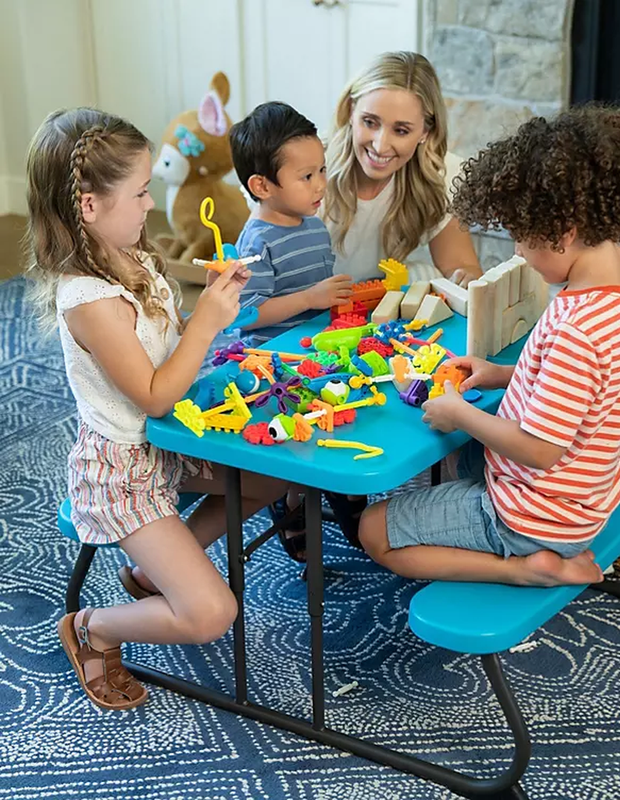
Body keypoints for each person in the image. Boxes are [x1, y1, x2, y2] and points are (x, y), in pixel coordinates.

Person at [26, 108, 290, 710]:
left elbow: (167, 352)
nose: (151, 205)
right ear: (89, 205)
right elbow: (154, 393)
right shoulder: (89, 298)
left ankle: (156, 574)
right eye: (142, 192)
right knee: (211, 613)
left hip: (168, 443)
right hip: (122, 471)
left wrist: (209, 305)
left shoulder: (131, 255)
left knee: (278, 474)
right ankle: (92, 628)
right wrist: (206, 324)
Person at [358, 106, 620, 587]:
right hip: (588, 493)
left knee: (374, 531)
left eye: (521, 237)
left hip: (538, 513)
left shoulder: (575, 328)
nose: (518, 252)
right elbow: (591, 395)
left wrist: (458, 413)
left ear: (563, 234)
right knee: (460, 455)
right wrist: (502, 374)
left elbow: (540, 451)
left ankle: (522, 569)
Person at [323, 51, 483, 286]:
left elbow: (460, 266)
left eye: (401, 131)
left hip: (376, 304)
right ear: (350, 110)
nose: (380, 145)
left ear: (425, 132)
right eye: (369, 122)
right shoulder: (308, 167)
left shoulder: (441, 175)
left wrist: (464, 280)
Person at [229, 101, 353, 346]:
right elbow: (245, 315)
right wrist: (308, 299)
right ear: (262, 186)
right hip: (270, 357)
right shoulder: (257, 242)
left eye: (322, 170)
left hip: (316, 347)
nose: (320, 184)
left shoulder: (316, 227)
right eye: (307, 176)